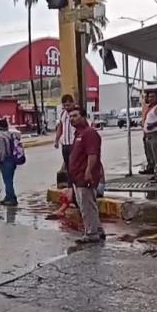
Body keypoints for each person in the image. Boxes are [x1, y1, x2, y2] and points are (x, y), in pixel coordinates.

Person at [68, 108, 105, 244]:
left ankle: (91, 233)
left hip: (85, 176)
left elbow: (92, 154)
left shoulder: (89, 134)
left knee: (86, 206)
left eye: (75, 116)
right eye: (70, 116)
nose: (72, 118)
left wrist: (88, 171)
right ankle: (98, 229)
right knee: (89, 204)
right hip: (77, 177)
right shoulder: (78, 134)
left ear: (84, 117)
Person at [0, 119, 19, 206]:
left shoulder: (0, 137)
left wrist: (0, 161)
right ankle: (8, 196)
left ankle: (12, 199)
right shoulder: (12, 135)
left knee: (7, 181)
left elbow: (1, 152)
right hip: (13, 160)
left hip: (6, 161)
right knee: (10, 180)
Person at [54, 94, 76, 173]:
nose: (67, 107)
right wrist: (56, 141)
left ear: (73, 103)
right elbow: (60, 127)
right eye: (65, 106)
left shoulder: (77, 113)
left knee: (75, 165)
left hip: (75, 144)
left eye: (68, 105)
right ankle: (70, 182)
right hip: (65, 145)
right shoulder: (63, 113)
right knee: (67, 165)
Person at [139, 92, 155, 175]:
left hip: (153, 132)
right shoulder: (146, 107)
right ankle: (150, 166)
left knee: (154, 152)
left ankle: (155, 169)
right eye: (145, 97)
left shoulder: (155, 107)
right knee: (148, 151)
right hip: (146, 132)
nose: (147, 98)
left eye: (147, 97)